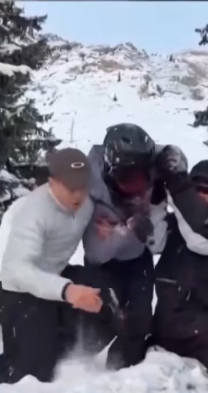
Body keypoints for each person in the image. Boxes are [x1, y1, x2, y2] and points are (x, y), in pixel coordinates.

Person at [0, 147, 103, 384]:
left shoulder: (86, 204)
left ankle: (58, 353)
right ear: (53, 182)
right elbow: (18, 270)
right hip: (12, 286)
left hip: (53, 277)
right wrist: (67, 290)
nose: (79, 195)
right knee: (35, 373)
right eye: (71, 188)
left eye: (83, 187)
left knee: (108, 289)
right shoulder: (32, 212)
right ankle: (11, 369)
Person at [80, 123, 169, 369]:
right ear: (110, 170)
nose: (137, 187)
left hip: (138, 258)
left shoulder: (146, 164)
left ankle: (122, 372)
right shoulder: (91, 190)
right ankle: (76, 363)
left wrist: (174, 162)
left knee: (139, 321)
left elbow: (172, 154)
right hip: (103, 263)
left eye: (144, 176)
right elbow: (96, 252)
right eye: (128, 179)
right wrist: (126, 230)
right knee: (104, 320)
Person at [152, 158, 208, 388]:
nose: (201, 195)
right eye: (196, 190)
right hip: (165, 324)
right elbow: (153, 242)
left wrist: (178, 186)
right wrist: (153, 201)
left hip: (206, 325)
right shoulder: (181, 220)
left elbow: (202, 236)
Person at [0, 194, 29, 376]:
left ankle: (8, 367)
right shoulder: (30, 210)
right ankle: (8, 372)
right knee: (15, 328)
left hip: (5, 276)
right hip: (6, 277)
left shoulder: (22, 207)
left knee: (15, 330)